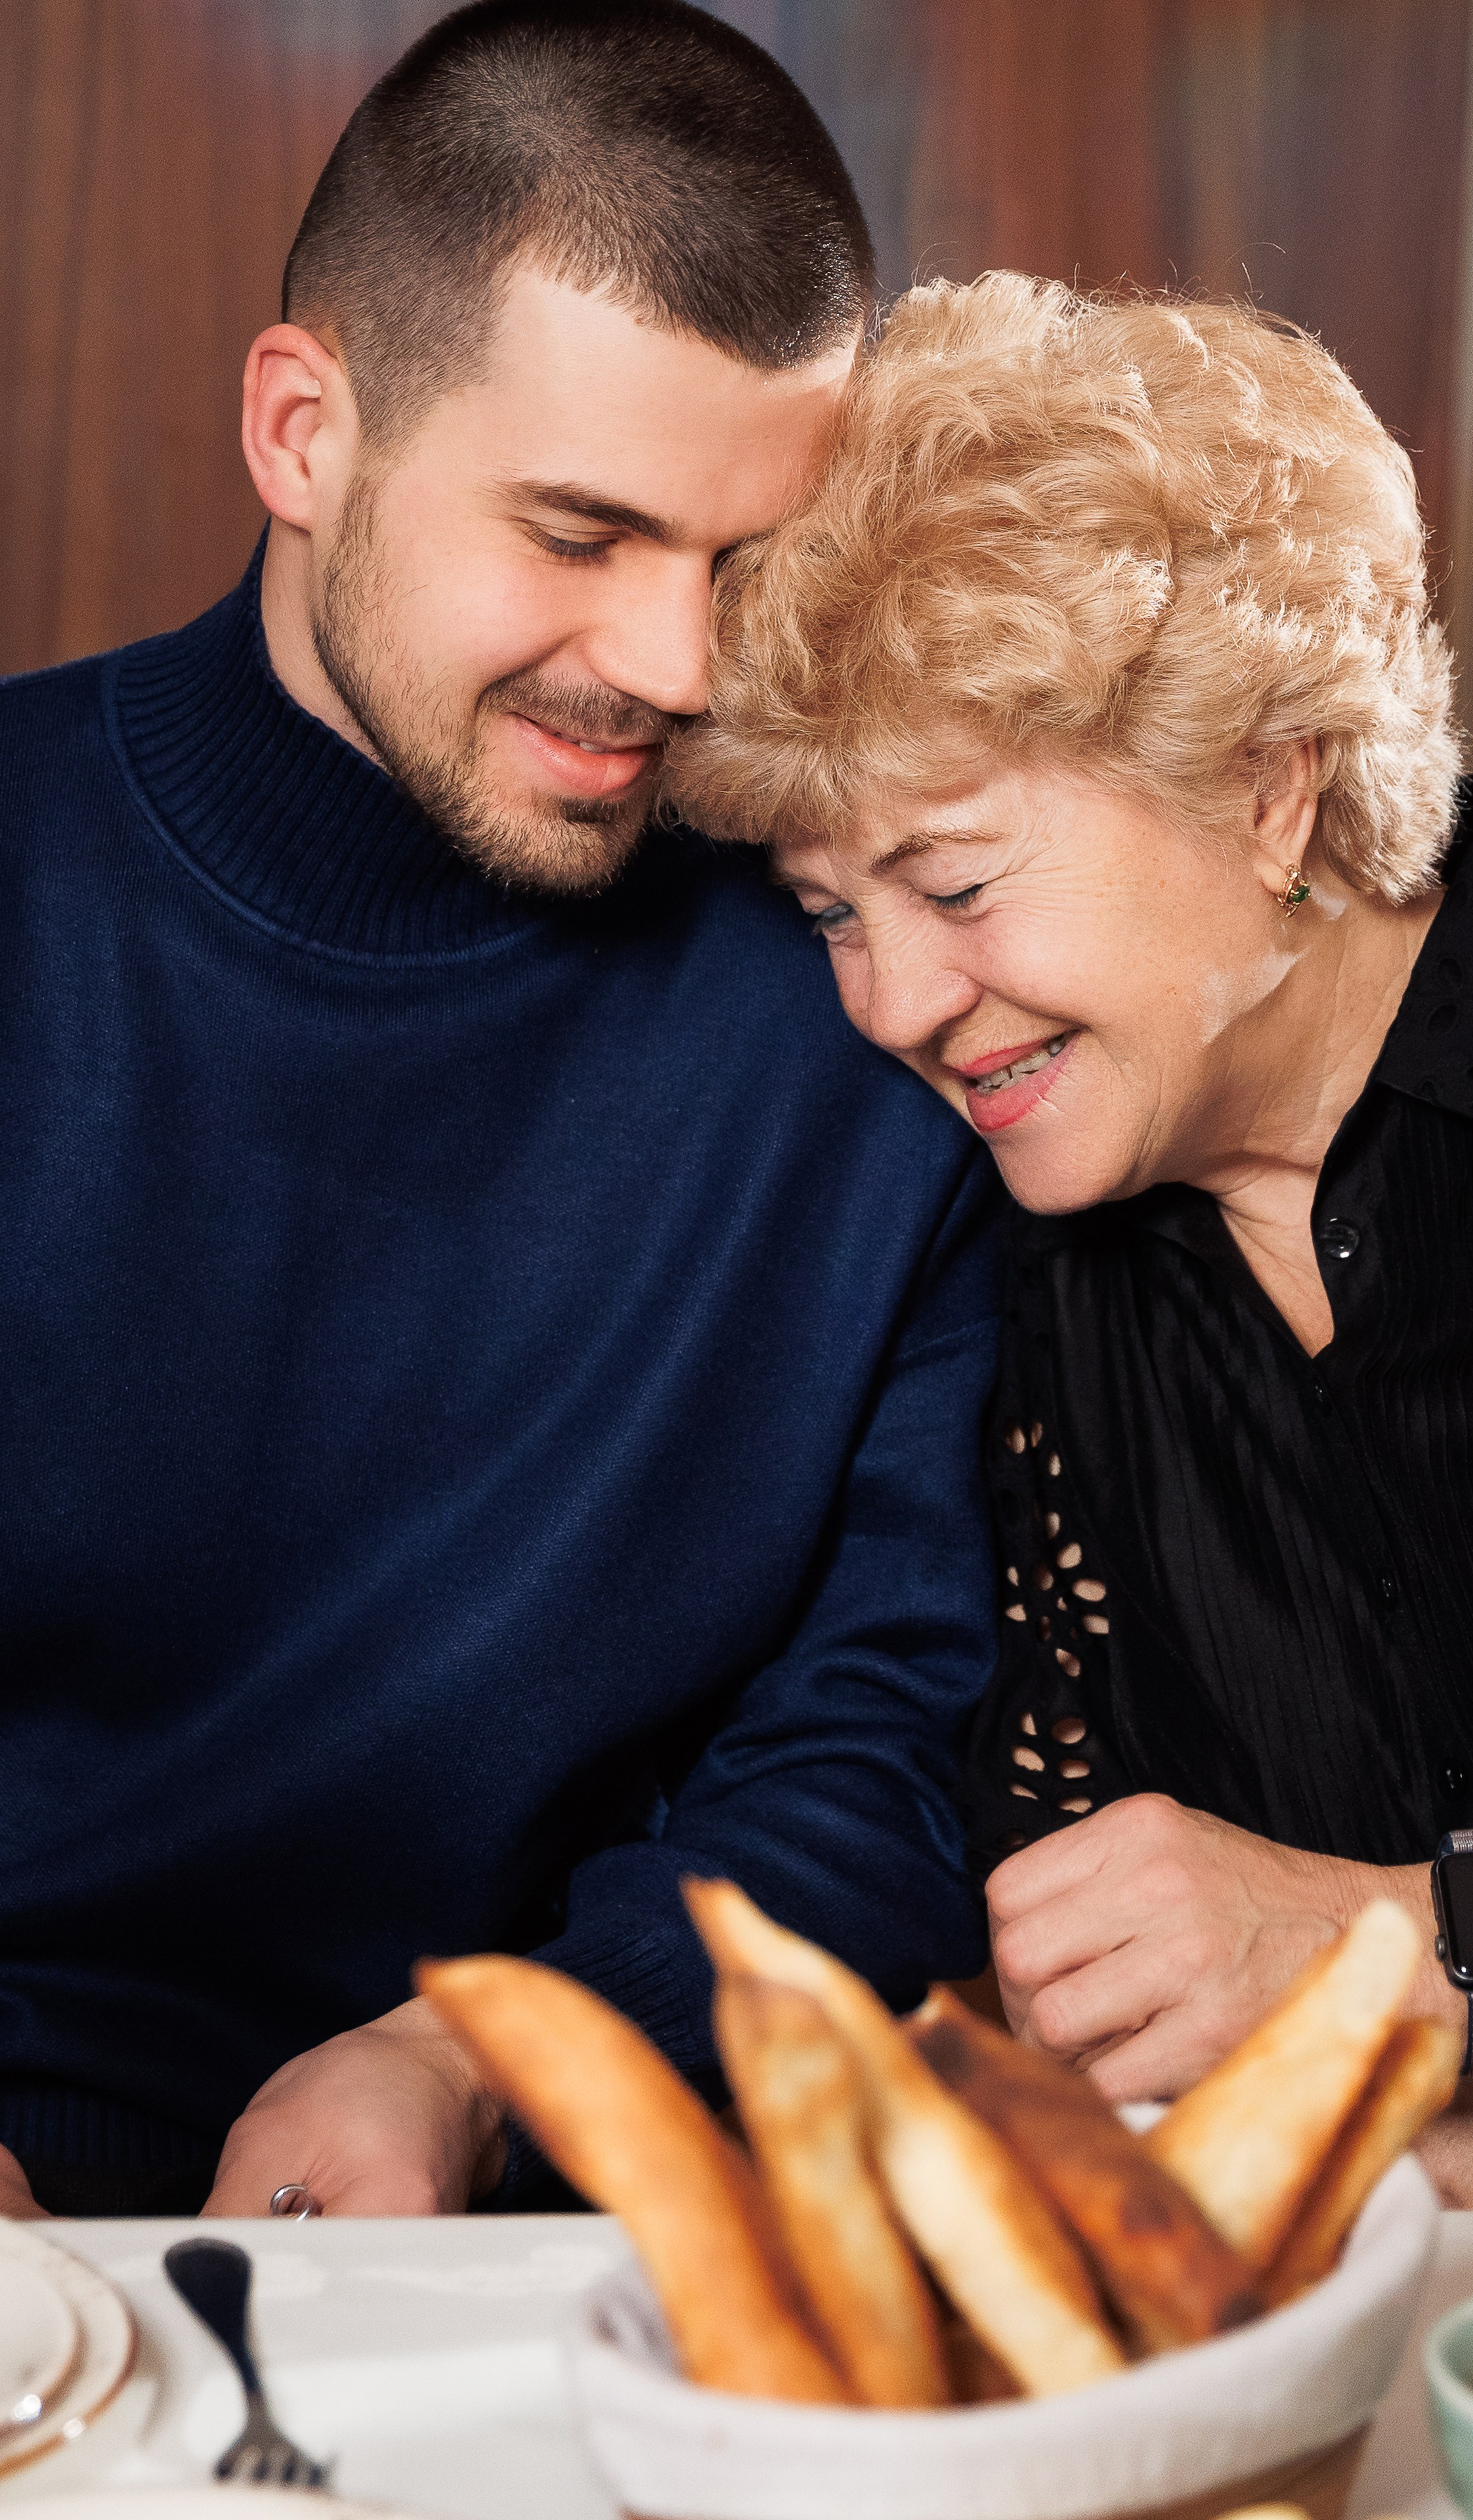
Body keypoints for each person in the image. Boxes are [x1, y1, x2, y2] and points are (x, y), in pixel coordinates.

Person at [0, 2, 1002, 2223]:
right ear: (302, 431)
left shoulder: (875, 994)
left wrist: (481, 2060)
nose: (680, 668)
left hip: (564, 2230)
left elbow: (878, 1761)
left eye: (744, 561)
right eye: (581, 532)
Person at [667, 273, 1473, 2206]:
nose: (889, 1005)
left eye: (953, 880)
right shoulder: (1060, 1291)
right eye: (832, 916)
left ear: (1267, 786)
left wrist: (1390, 1959)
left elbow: (1295, 1997)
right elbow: (1112, 2020)